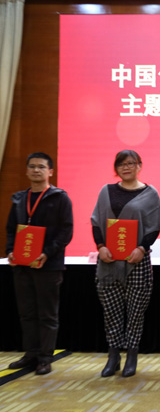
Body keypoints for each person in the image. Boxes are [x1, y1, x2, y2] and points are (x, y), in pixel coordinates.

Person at [91, 150, 160, 378]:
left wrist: (141, 248)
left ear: (139, 166)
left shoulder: (150, 193)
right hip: (108, 262)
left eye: (131, 163)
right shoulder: (106, 191)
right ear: (116, 168)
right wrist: (100, 246)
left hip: (137, 261)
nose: (126, 167)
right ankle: (113, 356)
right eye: (121, 164)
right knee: (111, 312)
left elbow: (154, 227)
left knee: (135, 313)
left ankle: (132, 355)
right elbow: (96, 222)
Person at [5, 152, 73, 375]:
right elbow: (10, 230)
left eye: (41, 167)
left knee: (47, 314)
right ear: (26, 171)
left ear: (50, 171)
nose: (36, 170)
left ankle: (45, 357)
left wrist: (46, 253)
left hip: (49, 266)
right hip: (22, 265)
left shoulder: (60, 198)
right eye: (32, 166)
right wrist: (10, 251)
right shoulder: (19, 199)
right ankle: (30, 354)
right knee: (27, 313)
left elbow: (66, 232)